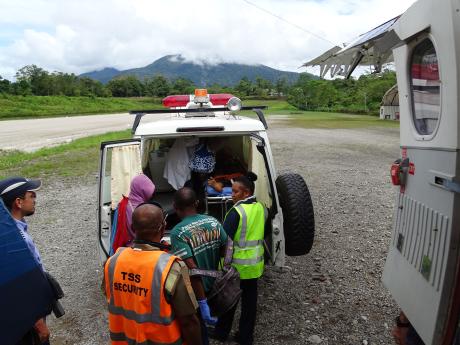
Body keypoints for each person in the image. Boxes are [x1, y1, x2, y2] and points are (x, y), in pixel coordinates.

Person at [104, 203, 202, 345]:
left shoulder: (113, 262)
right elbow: (189, 321)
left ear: (132, 228)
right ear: (162, 227)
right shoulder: (172, 267)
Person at [170, 187, 228, 345]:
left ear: (175, 207)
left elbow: (193, 270)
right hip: (215, 285)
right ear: (196, 203)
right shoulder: (213, 221)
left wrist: (201, 302)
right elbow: (226, 249)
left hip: (196, 291)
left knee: (198, 331)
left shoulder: (178, 233)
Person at [213, 172, 266, 345]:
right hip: (254, 266)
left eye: (236, 192)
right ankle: (245, 337)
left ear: (246, 193)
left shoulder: (236, 212)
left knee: (229, 301)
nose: (231, 194)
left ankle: (221, 333)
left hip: (237, 266)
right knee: (250, 304)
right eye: (232, 190)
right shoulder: (260, 208)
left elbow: (224, 239)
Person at [0, 177, 50, 345]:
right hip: (27, 321)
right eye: (31, 195)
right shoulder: (16, 240)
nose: (35, 199)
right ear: (19, 202)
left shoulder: (13, 228)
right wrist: (38, 323)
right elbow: (21, 285)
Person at [110, 174, 155, 254]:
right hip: (141, 249)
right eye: (149, 192)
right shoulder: (142, 210)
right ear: (142, 191)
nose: (151, 195)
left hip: (126, 248)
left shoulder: (124, 204)